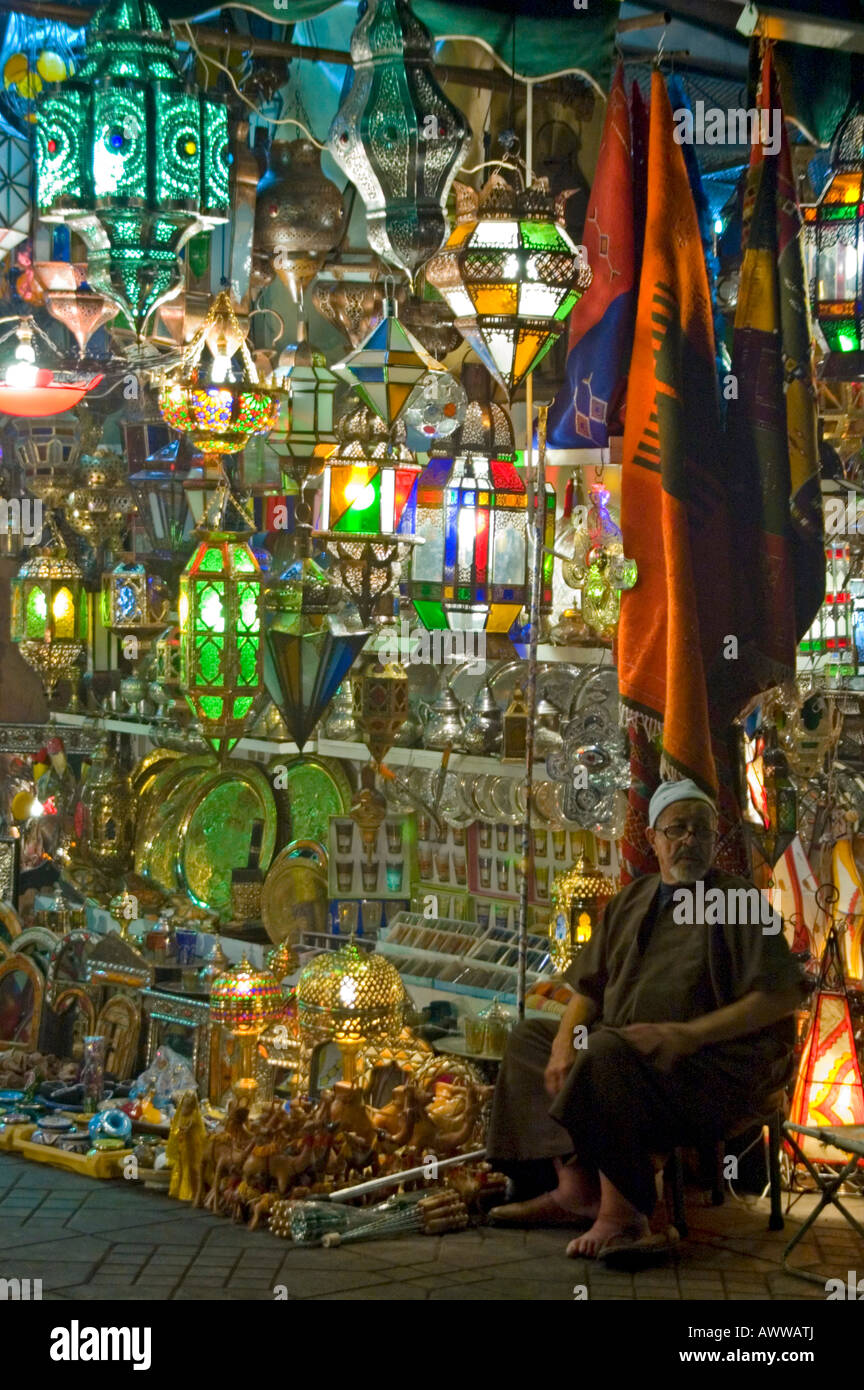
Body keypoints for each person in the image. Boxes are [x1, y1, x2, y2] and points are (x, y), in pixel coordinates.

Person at [487, 779, 805, 1259]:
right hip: (625, 1047)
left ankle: (629, 1218)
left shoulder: (740, 900)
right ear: (654, 839)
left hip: (716, 1064)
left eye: (701, 830)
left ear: (714, 839)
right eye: (676, 829)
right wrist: (563, 1043)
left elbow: (779, 996)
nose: (689, 840)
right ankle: (578, 1191)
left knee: (608, 1052)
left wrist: (688, 1034)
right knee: (532, 1040)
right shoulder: (632, 900)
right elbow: (587, 991)